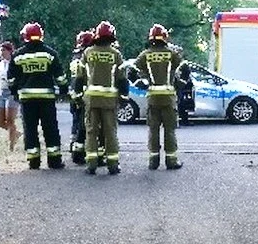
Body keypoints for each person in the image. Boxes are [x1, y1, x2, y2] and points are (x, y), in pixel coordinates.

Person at [7, 22, 66, 170]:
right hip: (47, 98)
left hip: (27, 99)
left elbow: (11, 79)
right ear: (41, 36)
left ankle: (34, 161)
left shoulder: (18, 55)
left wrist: (15, 92)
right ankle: (54, 161)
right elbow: (60, 77)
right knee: (50, 128)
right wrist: (63, 90)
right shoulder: (50, 54)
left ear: (25, 36)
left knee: (30, 129)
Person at [76, 21, 125, 175]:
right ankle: (113, 164)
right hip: (109, 100)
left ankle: (91, 163)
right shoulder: (116, 54)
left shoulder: (88, 53)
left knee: (91, 131)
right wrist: (123, 97)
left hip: (91, 99)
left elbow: (79, 77)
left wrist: (78, 96)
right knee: (110, 131)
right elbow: (122, 78)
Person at [135, 24, 184, 170]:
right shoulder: (172, 54)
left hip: (153, 98)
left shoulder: (145, 55)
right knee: (170, 129)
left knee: (153, 129)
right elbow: (182, 67)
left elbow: (134, 70)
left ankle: (153, 161)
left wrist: (145, 80)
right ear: (164, 38)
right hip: (168, 98)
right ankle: (171, 161)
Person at [68, 30, 95, 165]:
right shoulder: (86, 57)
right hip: (84, 95)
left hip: (74, 95)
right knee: (83, 126)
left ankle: (73, 146)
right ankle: (79, 153)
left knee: (76, 123)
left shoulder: (75, 56)